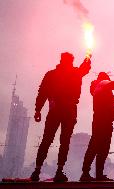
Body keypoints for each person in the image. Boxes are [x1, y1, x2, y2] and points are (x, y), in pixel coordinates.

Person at [30, 52, 91, 182]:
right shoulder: (74, 72)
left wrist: (38, 110)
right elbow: (85, 68)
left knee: (47, 140)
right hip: (69, 110)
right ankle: (59, 171)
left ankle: (37, 171)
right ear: (70, 61)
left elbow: (42, 92)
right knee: (65, 141)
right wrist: (88, 57)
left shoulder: (51, 74)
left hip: (55, 109)